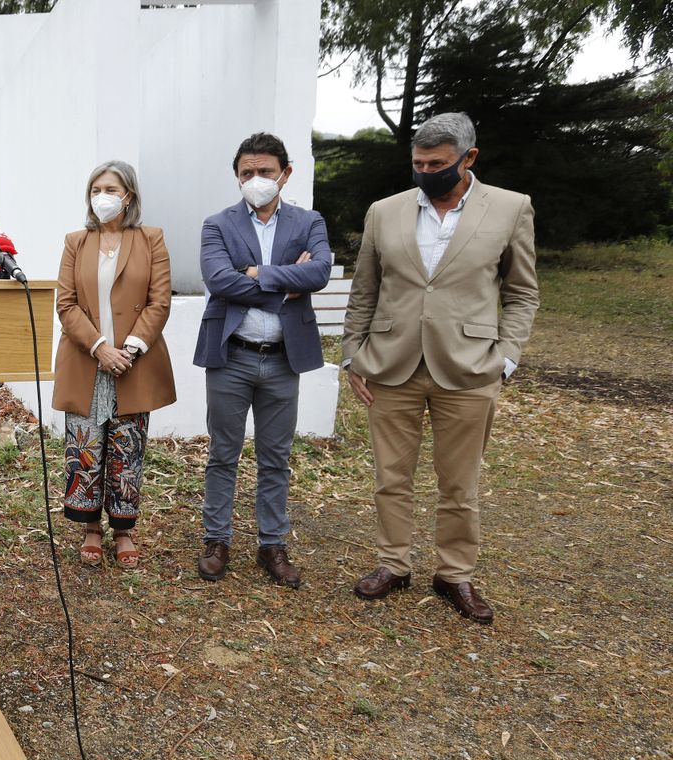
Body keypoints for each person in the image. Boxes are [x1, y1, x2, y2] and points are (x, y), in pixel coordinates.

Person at [343, 113, 538, 623]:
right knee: (391, 476)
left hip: (472, 368)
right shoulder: (384, 212)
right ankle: (393, 564)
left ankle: (455, 573)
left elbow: (521, 292)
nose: (426, 171)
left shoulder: (511, 208)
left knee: (460, 482)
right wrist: (351, 354)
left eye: (437, 163)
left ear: (468, 159)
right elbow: (365, 289)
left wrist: (507, 357)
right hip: (392, 364)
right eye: (418, 163)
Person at [195, 132, 333, 588]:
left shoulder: (308, 221)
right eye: (247, 173)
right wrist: (285, 286)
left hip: (282, 359)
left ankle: (272, 544)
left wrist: (256, 274)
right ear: (237, 177)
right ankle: (217, 540)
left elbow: (320, 272)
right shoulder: (217, 224)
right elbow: (219, 280)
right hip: (230, 356)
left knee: (276, 456)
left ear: (285, 174)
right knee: (223, 453)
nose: (256, 180)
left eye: (265, 172)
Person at [52, 160, 176, 569]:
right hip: (88, 361)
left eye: (110, 189)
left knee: (128, 448)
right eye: (95, 189)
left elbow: (160, 301)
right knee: (85, 448)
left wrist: (131, 349)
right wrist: (100, 347)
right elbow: (65, 304)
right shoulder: (76, 242)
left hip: (133, 363)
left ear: (129, 196)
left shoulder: (150, 239)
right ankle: (90, 528)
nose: (101, 196)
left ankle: (123, 530)